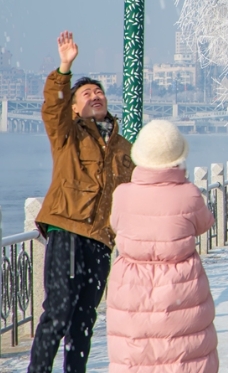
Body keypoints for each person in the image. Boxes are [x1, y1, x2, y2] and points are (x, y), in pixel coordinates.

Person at [29, 31, 135, 373]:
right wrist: (65, 67)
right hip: (67, 230)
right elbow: (53, 107)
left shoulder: (123, 147)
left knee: (85, 319)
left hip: (101, 239)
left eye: (99, 92)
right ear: (75, 106)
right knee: (58, 311)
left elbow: (137, 190)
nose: (95, 96)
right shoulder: (68, 134)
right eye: (86, 93)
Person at [107, 120, 218, 372]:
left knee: (136, 354)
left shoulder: (122, 193)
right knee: (183, 351)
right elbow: (204, 223)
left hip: (132, 283)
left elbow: (116, 225)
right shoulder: (189, 193)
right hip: (180, 283)